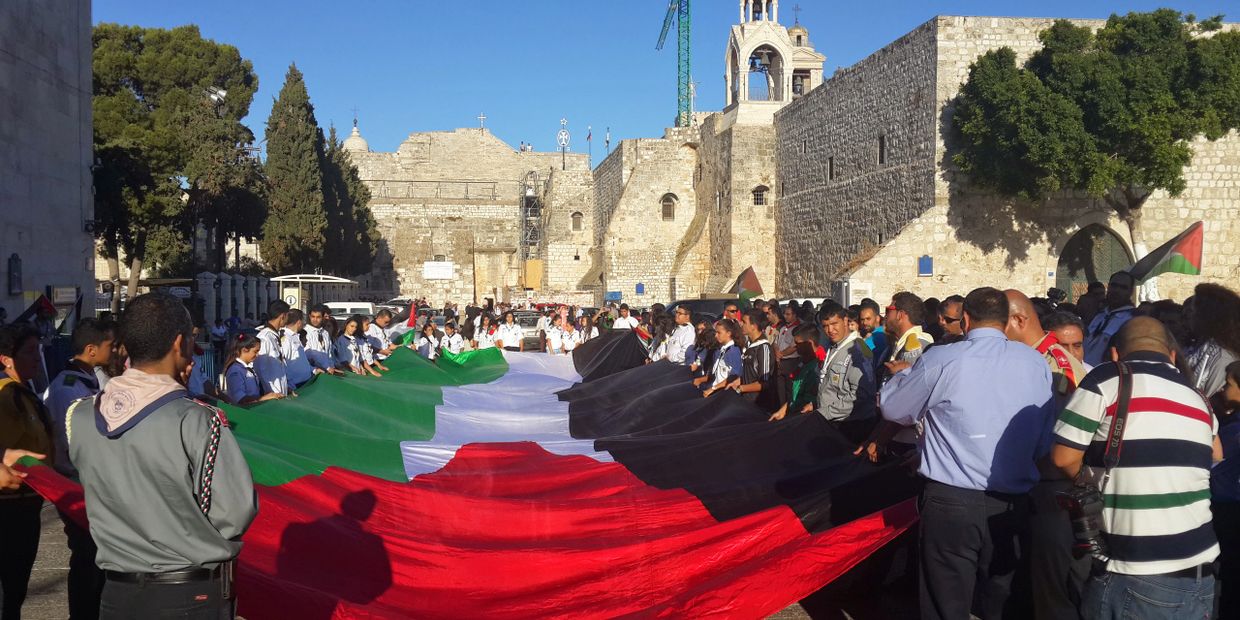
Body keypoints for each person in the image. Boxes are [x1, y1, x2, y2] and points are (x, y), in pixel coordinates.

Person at [67, 292, 258, 619]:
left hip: (117, 591)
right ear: (179, 343)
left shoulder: (81, 416)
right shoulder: (197, 420)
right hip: (187, 591)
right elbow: (234, 513)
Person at [879, 287, 1056, 620]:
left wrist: (902, 377)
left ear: (967, 320)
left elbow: (893, 408)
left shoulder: (943, 359)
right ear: (1005, 321)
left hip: (952, 501)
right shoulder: (1035, 363)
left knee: (946, 601)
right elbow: (1044, 436)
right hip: (1011, 501)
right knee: (1004, 600)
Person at [1052, 317, 1221, 620]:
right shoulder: (1200, 398)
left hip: (1136, 571)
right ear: (1172, 355)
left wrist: (1093, 485)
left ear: (1115, 353)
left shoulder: (1108, 379)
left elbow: (1063, 457)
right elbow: (1216, 455)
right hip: (1201, 570)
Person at [1004, 290, 1090, 619]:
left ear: (1018, 320)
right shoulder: (1036, 357)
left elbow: (1065, 433)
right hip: (1039, 483)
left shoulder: (1054, 364)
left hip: (1052, 484)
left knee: (1053, 590)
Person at [42, 318, 114, 619]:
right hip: (76, 481)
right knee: (87, 557)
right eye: (109, 345)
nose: (114, 350)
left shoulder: (88, 380)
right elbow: (74, 441)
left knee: (98, 558)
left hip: (91, 480)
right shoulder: (68, 388)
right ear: (91, 349)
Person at [0, 323, 56, 619]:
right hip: (8, 508)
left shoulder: (24, 393)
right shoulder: (4, 396)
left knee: (16, 590)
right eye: (30, 351)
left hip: (29, 504)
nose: (37, 358)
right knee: (8, 592)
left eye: (39, 350)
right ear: (6, 359)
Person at [795, 304, 876, 444]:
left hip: (851, 425)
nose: (830, 330)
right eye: (825, 326)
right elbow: (832, 386)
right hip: (832, 421)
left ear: (845, 321)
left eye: (834, 324)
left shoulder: (857, 351)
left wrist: (824, 412)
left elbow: (860, 395)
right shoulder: (835, 346)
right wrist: (816, 404)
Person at [1213, 361, 1240, 620]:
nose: (1223, 389)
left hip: (1230, 512)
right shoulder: (1231, 424)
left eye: (1228, 384)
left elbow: (1219, 472)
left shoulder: (1234, 432)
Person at [1187, 282, 1240, 399]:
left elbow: (1208, 398)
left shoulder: (1222, 358)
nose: (1189, 316)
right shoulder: (1199, 346)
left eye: (1194, 311)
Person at [768, 325, 824, 422]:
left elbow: (810, 402)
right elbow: (796, 394)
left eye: (797, 343)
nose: (794, 346)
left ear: (809, 343)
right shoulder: (803, 362)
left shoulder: (818, 368)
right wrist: (784, 410)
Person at [728, 310, 779, 412]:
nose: (741, 324)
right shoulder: (750, 346)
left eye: (744, 322)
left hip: (759, 405)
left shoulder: (763, 348)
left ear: (754, 326)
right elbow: (750, 374)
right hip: (746, 402)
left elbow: (765, 383)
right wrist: (736, 383)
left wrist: (741, 388)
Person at [1083, 272, 1137, 367]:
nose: (1117, 291)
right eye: (1114, 285)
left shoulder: (1133, 320)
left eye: (1123, 287)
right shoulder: (1099, 315)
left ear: (1131, 292)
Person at [222, 334, 283, 406]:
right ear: (244, 350)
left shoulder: (248, 368)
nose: (258, 355)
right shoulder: (235, 371)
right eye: (255, 351)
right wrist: (263, 398)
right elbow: (240, 399)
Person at [255, 301, 291, 397]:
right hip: (272, 395)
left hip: (280, 392)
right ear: (283, 316)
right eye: (287, 315)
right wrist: (271, 393)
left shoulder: (274, 336)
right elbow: (261, 369)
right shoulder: (265, 337)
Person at [698, 319, 743, 396]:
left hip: (721, 392)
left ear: (728, 333)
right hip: (712, 387)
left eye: (719, 333)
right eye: (716, 332)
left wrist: (713, 389)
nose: (716, 335)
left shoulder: (733, 351)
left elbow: (733, 377)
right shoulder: (720, 349)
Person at [281, 310, 325, 390]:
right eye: (303, 321)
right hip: (295, 384)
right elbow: (283, 364)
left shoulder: (295, 337)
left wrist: (313, 370)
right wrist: (289, 385)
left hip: (306, 381)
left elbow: (301, 361)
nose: (304, 324)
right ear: (299, 322)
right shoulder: (286, 339)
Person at [858, 298, 888, 364]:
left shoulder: (876, 337)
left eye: (868, 319)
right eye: (862, 319)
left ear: (877, 318)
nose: (865, 323)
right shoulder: (884, 333)